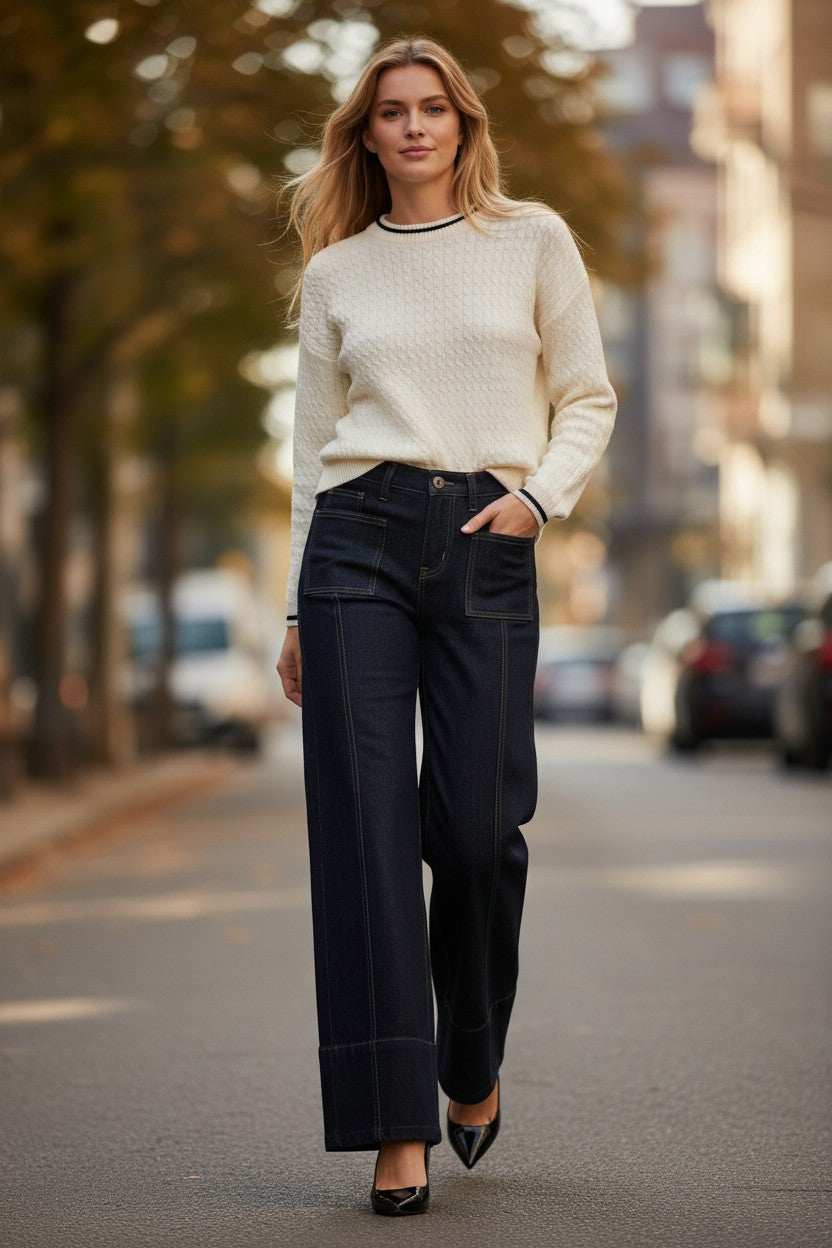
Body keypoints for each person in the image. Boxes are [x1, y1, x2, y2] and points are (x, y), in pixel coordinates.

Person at [275, 34, 617, 1216]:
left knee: (474, 832)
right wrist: (291, 609)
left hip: (485, 535)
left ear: (463, 126)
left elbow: (586, 395)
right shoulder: (335, 276)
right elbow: (309, 456)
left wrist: (536, 498)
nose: (414, 128)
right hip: (353, 545)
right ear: (363, 135)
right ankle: (394, 1127)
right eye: (391, 113)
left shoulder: (532, 240)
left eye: (433, 110)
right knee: (366, 843)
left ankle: (469, 1054)